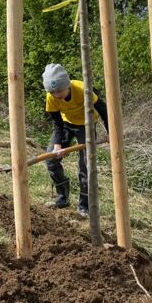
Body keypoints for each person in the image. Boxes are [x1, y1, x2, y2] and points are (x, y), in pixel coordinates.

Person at [41, 63, 109, 218]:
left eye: (59, 91)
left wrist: (110, 132)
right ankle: (62, 197)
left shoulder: (82, 90)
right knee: (51, 159)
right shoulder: (50, 97)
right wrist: (58, 144)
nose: (57, 95)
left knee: (86, 165)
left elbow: (104, 110)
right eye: (53, 92)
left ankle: (84, 206)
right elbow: (56, 122)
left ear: (67, 85)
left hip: (86, 125)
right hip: (65, 125)